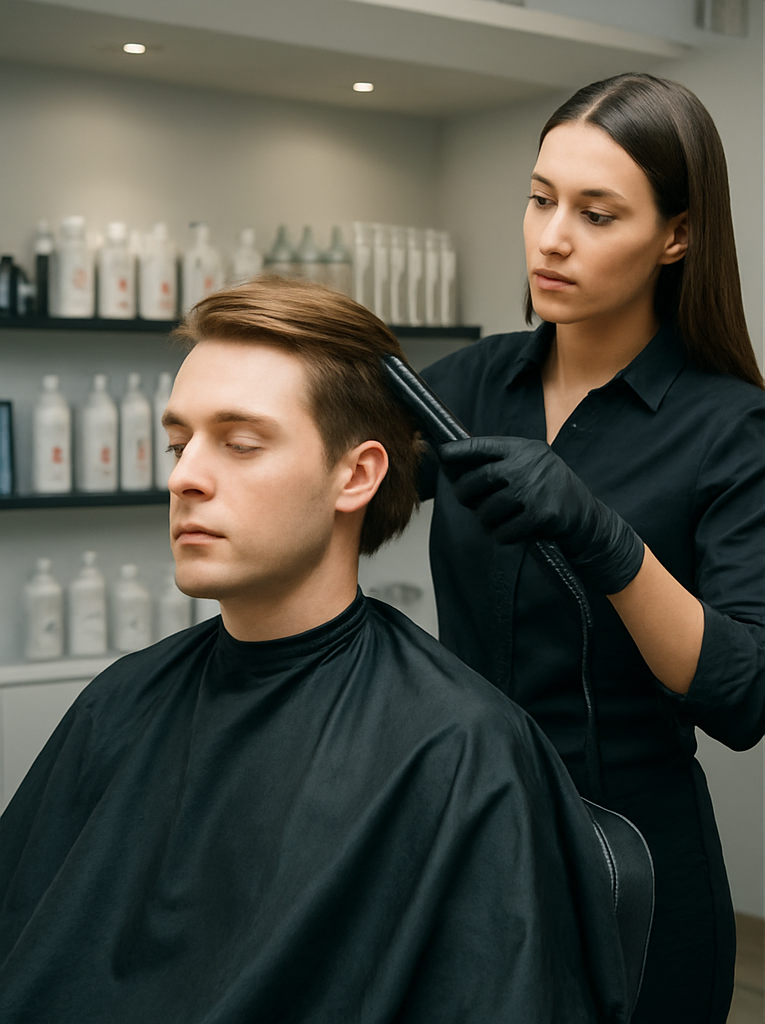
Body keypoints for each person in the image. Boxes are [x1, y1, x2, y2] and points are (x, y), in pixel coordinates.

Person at [0, 278, 630, 1023]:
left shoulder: (458, 747)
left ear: (356, 475)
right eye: (177, 443)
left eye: (240, 444)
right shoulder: (120, 700)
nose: (184, 478)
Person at [417, 73, 764, 1024]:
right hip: (476, 830)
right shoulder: (473, 385)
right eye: (540, 200)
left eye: (596, 213)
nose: (551, 237)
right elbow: (344, 490)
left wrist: (607, 542)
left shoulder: (730, 426)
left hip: (636, 854)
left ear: (677, 235)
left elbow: (741, 695)